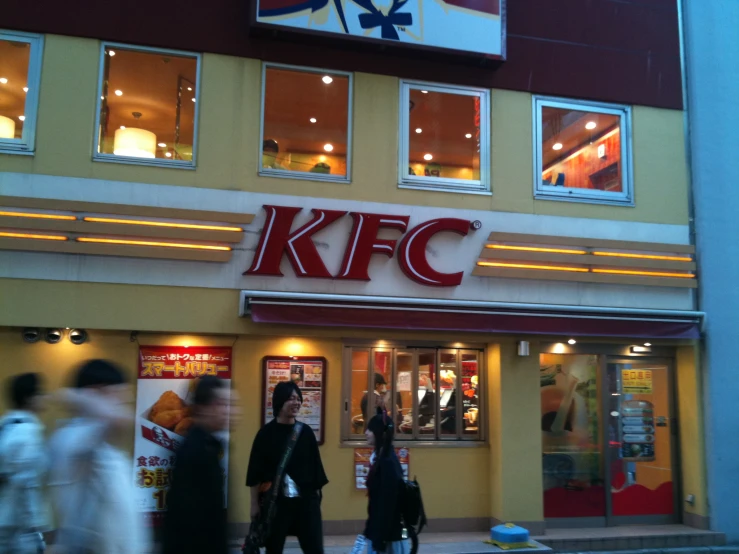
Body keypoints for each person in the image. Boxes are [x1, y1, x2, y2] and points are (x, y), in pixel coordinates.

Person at [48, 359, 149, 554]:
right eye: (117, 394)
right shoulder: (72, 437)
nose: (123, 401)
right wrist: (80, 397)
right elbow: (120, 420)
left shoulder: (102, 438)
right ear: (95, 392)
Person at [246, 381, 328, 554]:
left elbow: (316, 471)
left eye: (298, 398)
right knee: (274, 549)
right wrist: (254, 505)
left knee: (315, 549)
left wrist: (316, 503)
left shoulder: (305, 433)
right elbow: (254, 473)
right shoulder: (265, 434)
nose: (296, 402)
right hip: (277, 504)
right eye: (291, 398)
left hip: (306, 503)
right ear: (279, 401)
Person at [163, 375, 231, 554]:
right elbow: (185, 523)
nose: (228, 411)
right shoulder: (193, 451)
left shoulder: (211, 445)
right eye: (221, 404)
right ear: (203, 408)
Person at [0, 373, 49, 553]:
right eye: (41, 394)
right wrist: (34, 526)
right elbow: (25, 484)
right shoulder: (27, 432)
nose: (46, 398)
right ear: (30, 398)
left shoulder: (5, 425)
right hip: (18, 526)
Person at [364, 408, 406, 554]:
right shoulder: (383, 457)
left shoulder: (386, 462)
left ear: (378, 433)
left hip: (388, 537)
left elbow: (388, 504)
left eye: (369, 430)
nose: (366, 433)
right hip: (385, 533)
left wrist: (379, 539)